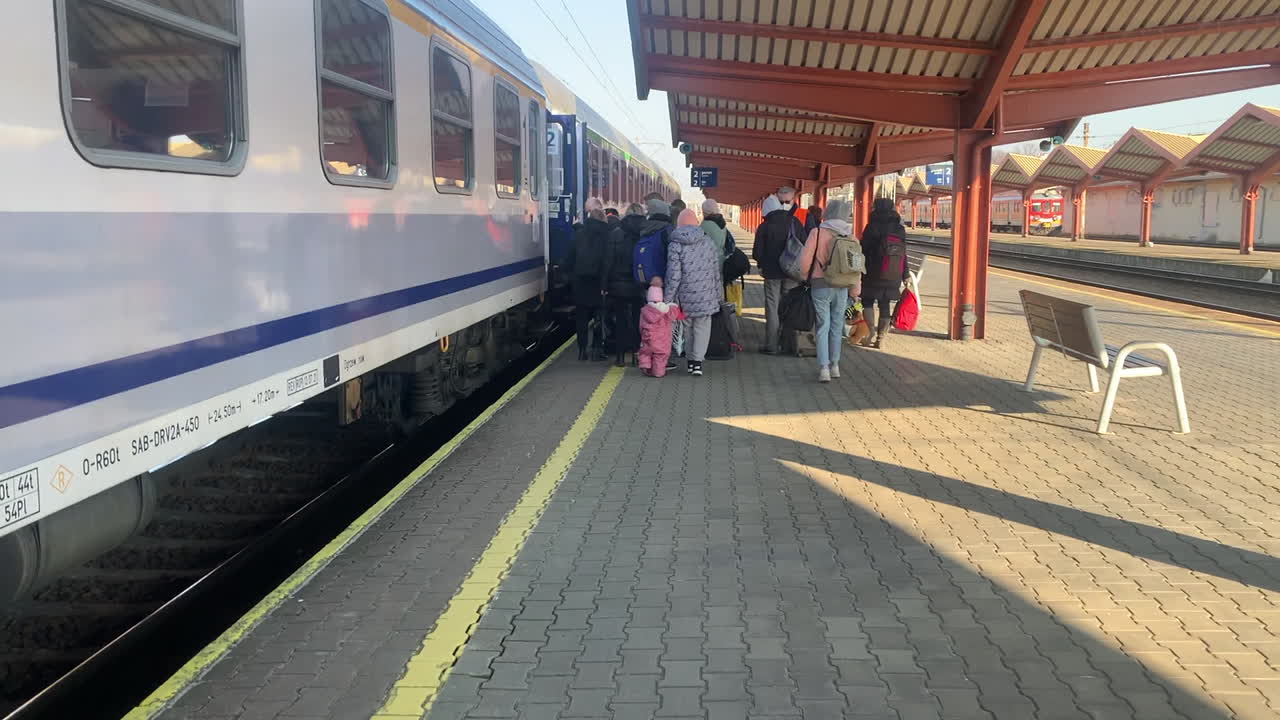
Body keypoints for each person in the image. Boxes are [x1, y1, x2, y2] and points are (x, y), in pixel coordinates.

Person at [798, 199, 857, 382]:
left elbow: (805, 260)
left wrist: (803, 275)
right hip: (842, 287)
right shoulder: (850, 236)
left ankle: (823, 368)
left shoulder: (817, 232)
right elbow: (856, 267)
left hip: (820, 284)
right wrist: (855, 291)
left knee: (822, 325)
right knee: (837, 326)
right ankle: (836, 365)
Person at [664, 210, 721, 376]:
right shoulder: (708, 242)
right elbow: (715, 271)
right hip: (706, 294)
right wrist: (718, 295)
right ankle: (697, 363)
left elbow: (674, 275)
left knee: (687, 327)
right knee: (702, 327)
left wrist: (668, 299)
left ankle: (690, 360)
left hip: (685, 294)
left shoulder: (675, 244)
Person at [751, 193, 803, 354]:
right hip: (792, 272)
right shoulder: (794, 222)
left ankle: (771, 345)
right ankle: (788, 343)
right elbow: (804, 243)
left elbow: (757, 252)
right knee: (788, 306)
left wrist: (762, 264)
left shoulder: (765, 226)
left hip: (772, 273)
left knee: (772, 307)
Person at [860, 197, 910, 349]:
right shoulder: (899, 229)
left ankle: (869, 335)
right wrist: (905, 273)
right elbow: (903, 253)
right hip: (893, 272)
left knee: (867, 301)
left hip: (872, 272)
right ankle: (881, 338)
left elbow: (863, 250)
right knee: (885, 304)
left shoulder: (871, 226)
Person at [563, 197, 610, 360]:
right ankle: (596, 350)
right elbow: (607, 261)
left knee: (581, 319)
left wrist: (568, 277)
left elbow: (569, 258)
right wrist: (605, 283)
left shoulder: (579, 234)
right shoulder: (607, 235)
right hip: (599, 284)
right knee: (599, 316)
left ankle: (582, 350)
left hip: (580, 283)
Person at [602, 203, 647, 366]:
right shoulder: (645, 233)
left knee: (620, 320)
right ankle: (636, 355)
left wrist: (605, 285)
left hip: (618, 284)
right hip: (638, 284)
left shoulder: (615, 234)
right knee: (637, 321)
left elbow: (608, 261)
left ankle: (620, 357)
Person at [641, 193, 678, 372]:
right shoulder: (668, 230)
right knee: (663, 325)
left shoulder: (645, 227)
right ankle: (661, 363)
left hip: (647, 280)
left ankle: (645, 360)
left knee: (648, 322)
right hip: (663, 280)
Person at [638, 285, 681, 377]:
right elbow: (675, 314)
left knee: (645, 353)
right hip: (662, 340)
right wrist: (673, 305)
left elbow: (641, 325)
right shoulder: (666, 310)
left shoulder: (645, 310)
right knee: (660, 356)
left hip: (648, 337)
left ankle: (645, 366)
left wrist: (642, 333)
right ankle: (658, 373)